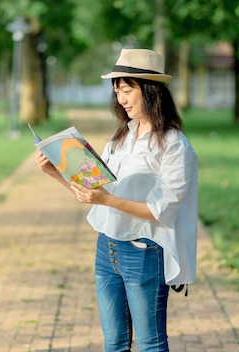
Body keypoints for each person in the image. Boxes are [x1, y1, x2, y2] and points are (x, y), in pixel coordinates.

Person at [37, 48, 198, 352]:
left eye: (127, 90)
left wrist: (108, 200)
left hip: (143, 251)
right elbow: (92, 192)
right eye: (117, 91)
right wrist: (54, 172)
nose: (121, 99)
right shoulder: (121, 137)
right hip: (107, 248)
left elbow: (161, 211)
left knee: (150, 344)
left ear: (150, 91)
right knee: (114, 343)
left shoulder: (175, 146)